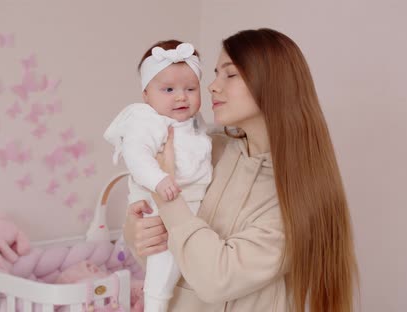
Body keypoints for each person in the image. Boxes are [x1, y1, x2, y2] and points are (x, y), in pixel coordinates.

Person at [124, 28, 359, 312]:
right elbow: (165, 257)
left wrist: (168, 198)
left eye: (230, 74)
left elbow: (215, 280)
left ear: (273, 84)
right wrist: (138, 234)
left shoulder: (299, 196)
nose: (211, 86)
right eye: (214, 73)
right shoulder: (207, 150)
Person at [103, 40, 212, 312]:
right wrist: (159, 179)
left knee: (185, 261)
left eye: (190, 88)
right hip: (159, 197)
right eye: (168, 89)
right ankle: (154, 305)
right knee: (164, 260)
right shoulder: (148, 121)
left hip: (189, 203)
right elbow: (136, 155)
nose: (181, 97)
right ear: (146, 95)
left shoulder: (195, 123)